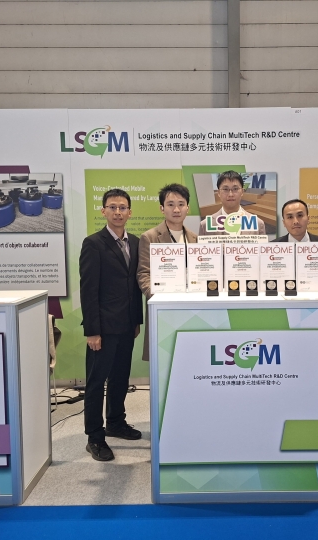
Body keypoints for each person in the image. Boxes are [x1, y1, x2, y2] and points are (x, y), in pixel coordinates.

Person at [79, 188, 144, 461]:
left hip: (127, 326)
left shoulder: (137, 243)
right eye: (113, 207)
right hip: (103, 329)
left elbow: (135, 287)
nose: (118, 212)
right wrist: (92, 331)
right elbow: (88, 290)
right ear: (103, 211)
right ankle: (95, 437)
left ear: (130, 212)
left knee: (120, 378)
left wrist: (136, 320)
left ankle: (116, 422)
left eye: (122, 207)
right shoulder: (93, 243)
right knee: (96, 383)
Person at [137, 183, 197, 361]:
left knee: (189, 357)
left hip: (190, 308)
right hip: (162, 309)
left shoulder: (194, 238)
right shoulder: (150, 237)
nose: (176, 209)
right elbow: (143, 274)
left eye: (181, 204)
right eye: (170, 204)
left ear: (187, 208)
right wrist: (158, 298)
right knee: (162, 358)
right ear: (162, 208)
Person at [198, 170, 266, 236]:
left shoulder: (258, 224)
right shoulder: (204, 225)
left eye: (235, 189)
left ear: (242, 192)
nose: (230, 194)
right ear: (218, 193)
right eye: (225, 189)